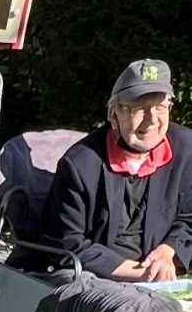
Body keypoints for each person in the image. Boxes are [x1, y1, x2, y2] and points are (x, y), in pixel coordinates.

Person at [42, 58, 192, 281]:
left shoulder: (186, 150)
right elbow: (66, 244)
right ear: (113, 114)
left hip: (162, 279)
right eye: (140, 109)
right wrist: (140, 273)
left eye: (160, 107)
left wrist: (168, 250)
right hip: (95, 279)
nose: (152, 120)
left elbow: (188, 218)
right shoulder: (80, 166)